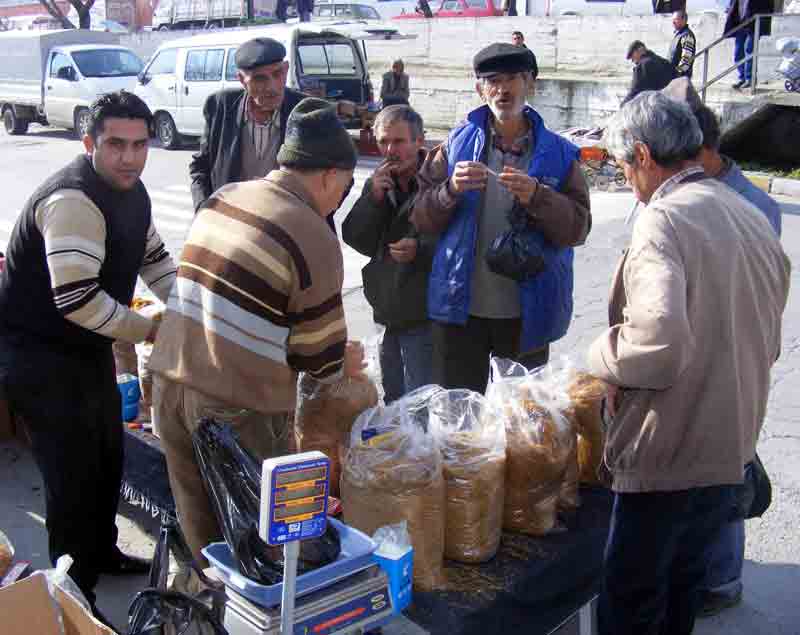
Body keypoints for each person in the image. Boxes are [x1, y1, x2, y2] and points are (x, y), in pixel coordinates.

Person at [589, 91, 790, 635]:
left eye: (622, 166)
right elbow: (766, 342)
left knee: (631, 606)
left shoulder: (664, 220)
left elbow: (656, 347)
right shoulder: (747, 215)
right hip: (729, 451)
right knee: (681, 599)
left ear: (642, 156)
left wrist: (601, 355)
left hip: (668, 457)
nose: (626, 180)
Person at [149, 98, 363, 564]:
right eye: (345, 186)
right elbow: (319, 362)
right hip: (233, 410)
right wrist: (341, 360)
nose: (341, 197)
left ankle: (203, 611)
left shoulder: (224, 196)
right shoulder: (312, 234)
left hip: (168, 385)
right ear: (328, 174)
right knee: (261, 549)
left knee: (204, 538)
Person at [0, 91, 176, 623]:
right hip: (40, 357)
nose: (129, 156)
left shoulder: (132, 191)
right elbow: (76, 299)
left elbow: (153, 257)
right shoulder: (73, 198)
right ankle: (74, 595)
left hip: (85, 350)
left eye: (140, 145)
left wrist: (186, 305)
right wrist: (149, 328)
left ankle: (101, 552)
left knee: (105, 457)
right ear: (89, 143)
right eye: (115, 144)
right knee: (71, 478)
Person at [662, 78, 781, 617]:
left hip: (731, 353)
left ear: (704, 147)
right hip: (690, 355)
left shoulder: (752, 206)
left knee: (728, 470)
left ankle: (722, 579)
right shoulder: (680, 193)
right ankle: (699, 569)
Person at [411, 43, 591, 393]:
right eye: (492, 80)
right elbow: (419, 217)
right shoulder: (454, 146)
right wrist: (448, 190)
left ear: (531, 84)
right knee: (460, 426)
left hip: (528, 316)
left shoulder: (559, 154)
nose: (502, 89)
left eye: (513, 79)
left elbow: (578, 229)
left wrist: (539, 197)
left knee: (521, 428)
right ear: (479, 89)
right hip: (461, 313)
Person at [342, 105, 435, 403]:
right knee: (394, 397)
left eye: (398, 141)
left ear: (419, 141)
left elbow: (457, 245)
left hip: (424, 314)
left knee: (420, 401)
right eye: (384, 142)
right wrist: (374, 199)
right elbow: (356, 238)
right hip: (386, 310)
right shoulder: (381, 182)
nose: (390, 150)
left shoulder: (437, 180)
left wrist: (419, 250)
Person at [189, 38, 305, 212]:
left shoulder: (306, 110)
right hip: (231, 225)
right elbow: (200, 168)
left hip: (290, 226)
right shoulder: (220, 106)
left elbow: (340, 174)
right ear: (242, 80)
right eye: (260, 79)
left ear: (286, 69)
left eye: (277, 74)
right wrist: (205, 211)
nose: (272, 87)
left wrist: (312, 215)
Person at [725, 0, 774, 89]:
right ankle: (742, 78)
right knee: (738, 52)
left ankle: (750, 79)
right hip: (740, 22)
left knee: (749, 49)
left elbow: (768, 5)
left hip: (753, 21)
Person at [669, 10, 696, 78]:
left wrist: (677, 73)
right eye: (673, 19)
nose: (673, 22)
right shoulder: (679, 34)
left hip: (680, 78)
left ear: (683, 20)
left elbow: (686, 58)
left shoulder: (687, 36)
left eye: (676, 19)